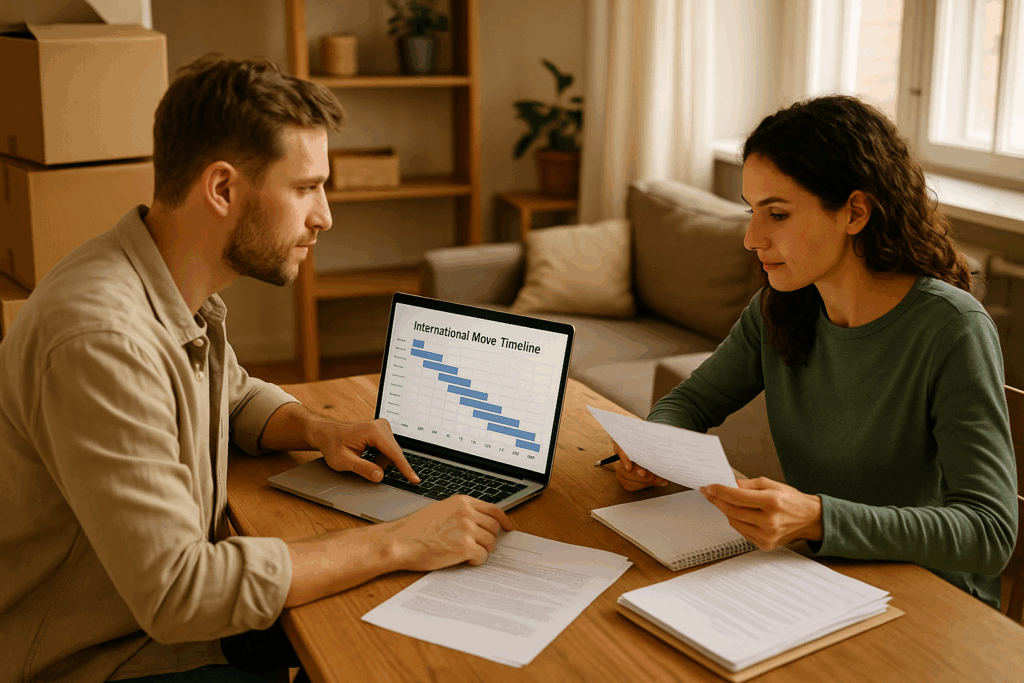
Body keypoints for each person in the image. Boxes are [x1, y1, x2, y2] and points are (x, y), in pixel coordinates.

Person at [0, 54, 512, 683]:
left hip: (158, 629)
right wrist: (400, 539)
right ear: (222, 189)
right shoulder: (102, 337)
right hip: (106, 659)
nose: (323, 216)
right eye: (305, 188)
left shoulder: (165, 284)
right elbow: (180, 593)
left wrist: (319, 430)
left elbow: (232, 397)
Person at [611, 95, 1016, 609]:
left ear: (854, 212)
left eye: (776, 213)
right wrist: (653, 446)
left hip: (931, 599)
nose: (752, 238)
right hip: (819, 576)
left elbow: (990, 532)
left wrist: (819, 518)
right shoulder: (782, 307)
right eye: (751, 212)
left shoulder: (952, 329)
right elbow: (689, 402)